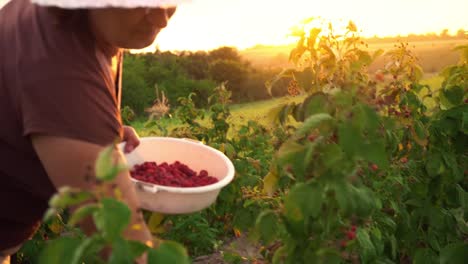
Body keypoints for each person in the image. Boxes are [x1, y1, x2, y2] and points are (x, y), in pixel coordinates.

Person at [0, 0, 186, 262]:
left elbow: (31, 103)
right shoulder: (59, 62)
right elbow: (125, 251)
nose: (162, 19)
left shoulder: (86, 20)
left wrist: (97, 126)